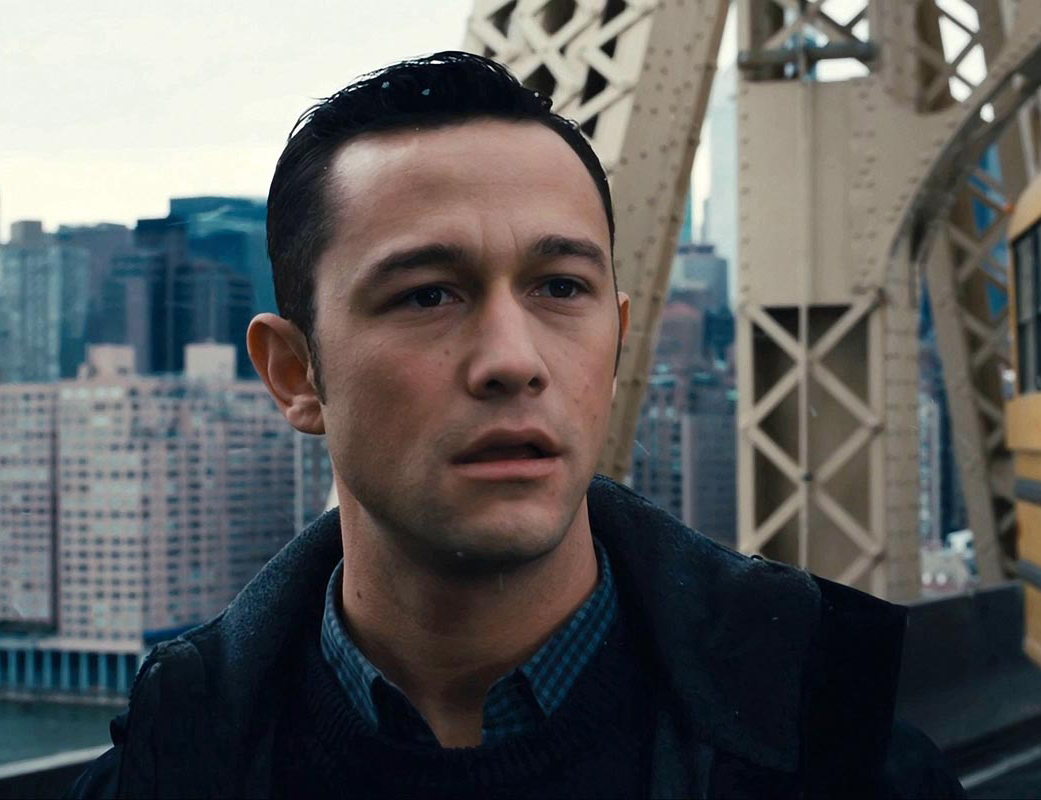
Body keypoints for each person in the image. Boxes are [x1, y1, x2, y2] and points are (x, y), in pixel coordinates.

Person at [68, 51, 962, 799]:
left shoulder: (852, 762)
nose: (511, 359)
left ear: (616, 340)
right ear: (295, 374)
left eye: (560, 288)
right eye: (427, 294)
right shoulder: (156, 776)